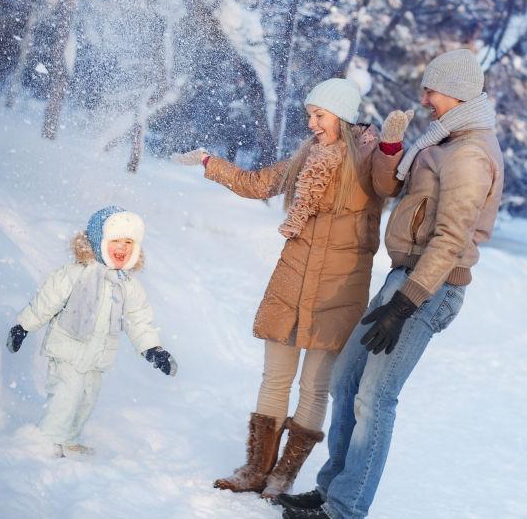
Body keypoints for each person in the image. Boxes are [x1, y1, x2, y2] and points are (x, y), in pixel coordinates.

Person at [279, 49, 504, 518]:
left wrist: (405, 305)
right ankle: (332, 490)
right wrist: (391, 149)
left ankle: (344, 509)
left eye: (431, 90)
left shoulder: (470, 153)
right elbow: (393, 190)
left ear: (458, 93)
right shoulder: (441, 141)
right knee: (346, 381)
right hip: (403, 278)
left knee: (374, 398)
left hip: (428, 288)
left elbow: (450, 238)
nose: (423, 98)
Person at [174, 79, 412, 500]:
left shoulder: (370, 162)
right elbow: (259, 184)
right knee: (275, 378)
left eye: (319, 116)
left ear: (340, 116)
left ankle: (284, 475)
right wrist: (210, 161)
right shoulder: (306, 157)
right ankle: (254, 469)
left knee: (315, 387)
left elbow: (390, 185)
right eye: (310, 116)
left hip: (338, 291)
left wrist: (392, 146)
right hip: (292, 281)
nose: (312, 124)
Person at [5, 206, 177, 458]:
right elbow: (47, 302)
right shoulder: (76, 274)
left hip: (97, 357)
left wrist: (153, 349)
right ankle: (48, 441)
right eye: (115, 240)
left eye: (129, 241)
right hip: (68, 349)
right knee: (66, 395)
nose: (122, 247)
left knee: (86, 400)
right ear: (98, 242)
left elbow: (138, 320)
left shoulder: (128, 285)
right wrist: (23, 326)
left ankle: (69, 441)